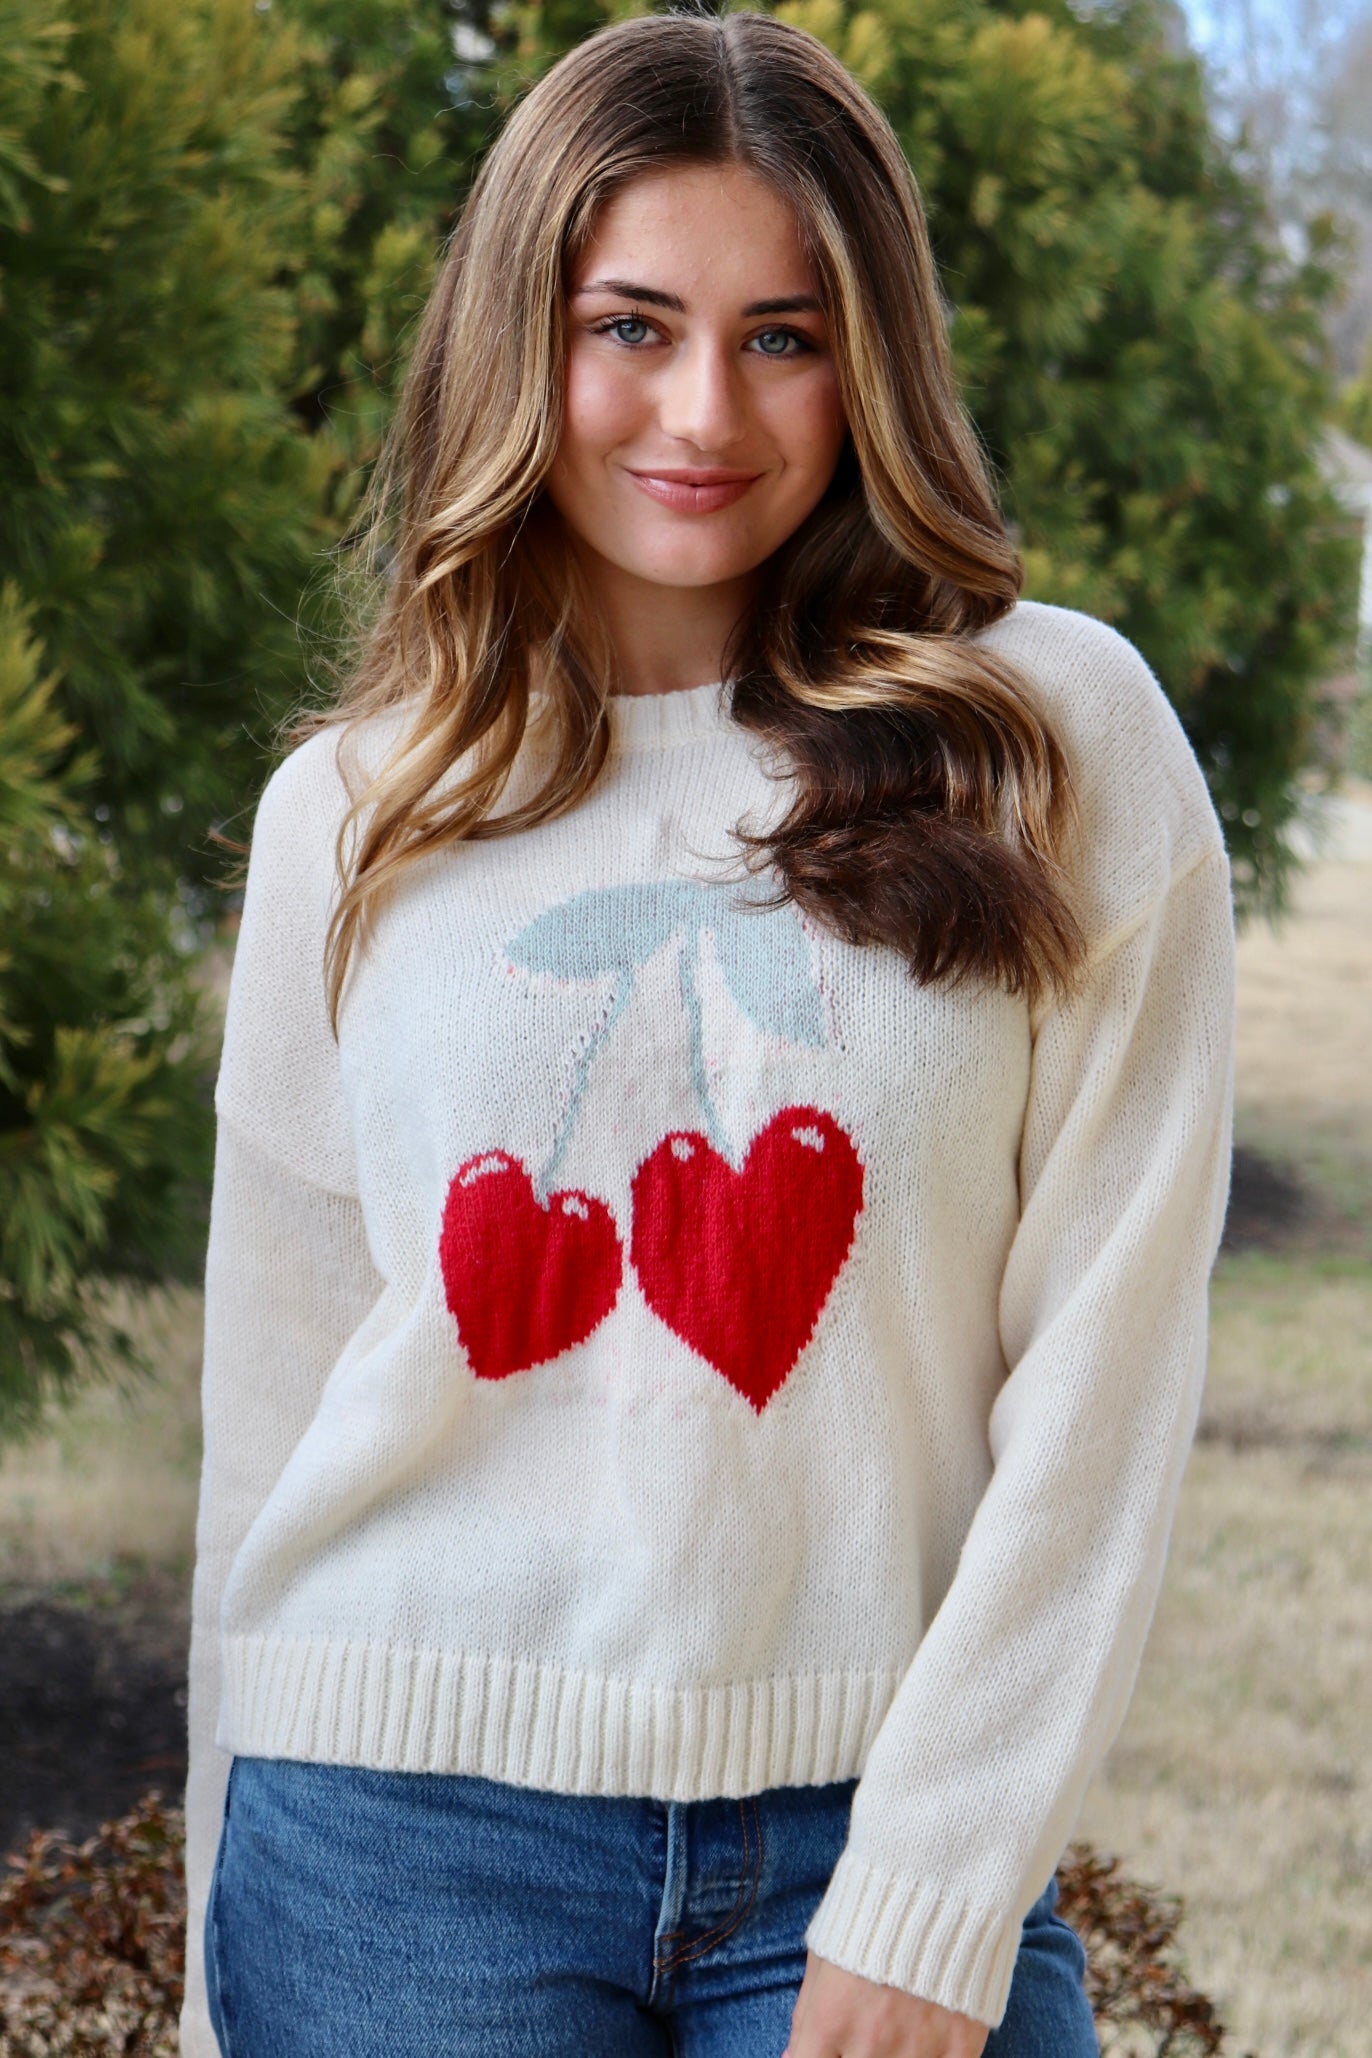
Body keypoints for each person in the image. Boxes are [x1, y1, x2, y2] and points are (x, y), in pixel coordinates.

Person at [181, 11, 1236, 2056]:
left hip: (866, 1828)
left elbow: (1109, 1361)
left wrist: (935, 1888)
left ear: (873, 359)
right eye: (628, 323)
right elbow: (281, 1381)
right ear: (520, 341)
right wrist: (239, 1937)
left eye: (780, 334)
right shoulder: (355, 804)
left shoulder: (1051, 739)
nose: (699, 409)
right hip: (396, 1853)